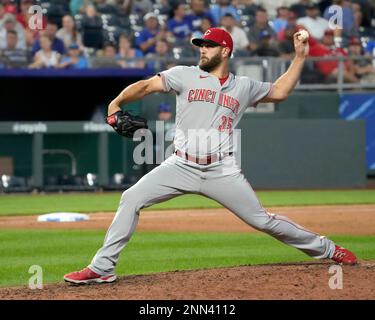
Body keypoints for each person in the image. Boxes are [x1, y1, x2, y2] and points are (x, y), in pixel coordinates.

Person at [64, 27, 358, 284]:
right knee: (131, 198)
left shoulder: (243, 86)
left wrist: (300, 57)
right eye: (200, 45)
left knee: (263, 221)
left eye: (208, 45)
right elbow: (145, 87)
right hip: (180, 164)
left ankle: (329, 249)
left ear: (225, 50)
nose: (202, 50)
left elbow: (280, 91)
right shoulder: (183, 75)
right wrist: (115, 104)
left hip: (221, 170)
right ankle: (102, 268)